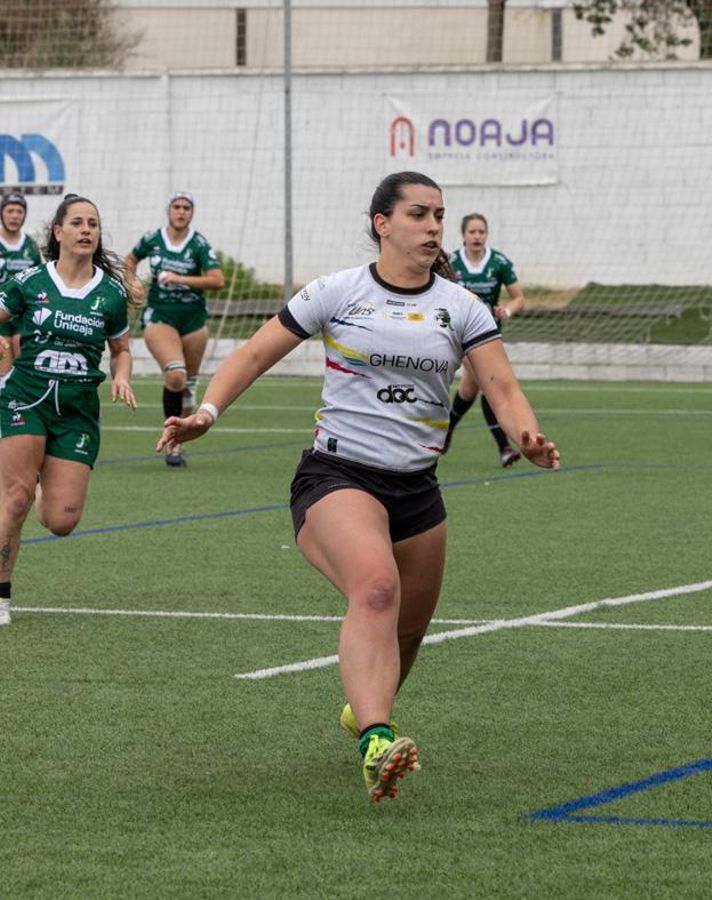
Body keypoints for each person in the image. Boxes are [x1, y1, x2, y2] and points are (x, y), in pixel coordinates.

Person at [157, 172, 560, 802]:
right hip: (337, 476)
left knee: (408, 633)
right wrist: (205, 414)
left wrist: (527, 436)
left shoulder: (463, 306)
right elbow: (254, 355)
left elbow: (501, 387)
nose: (433, 227)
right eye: (420, 214)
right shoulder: (337, 291)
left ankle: (362, 706)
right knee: (376, 590)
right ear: (383, 223)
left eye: (439, 216)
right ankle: (377, 739)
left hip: (418, 490)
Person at [0, 194, 137, 627]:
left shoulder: (111, 294)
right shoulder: (28, 283)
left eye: (93, 224)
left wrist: (121, 374)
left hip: (77, 410)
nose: (86, 230)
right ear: (58, 232)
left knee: (61, 520)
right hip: (25, 395)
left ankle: (41, 482)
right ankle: (1, 597)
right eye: (77, 222)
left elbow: (122, 349)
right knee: (14, 499)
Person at [125, 192, 224, 467]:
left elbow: (217, 280)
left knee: (189, 387)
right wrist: (132, 283)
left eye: (186, 208)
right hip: (160, 316)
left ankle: (178, 441)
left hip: (193, 320)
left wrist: (180, 278)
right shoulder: (152, 240)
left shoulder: (199, 243)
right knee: (176, 377)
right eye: (177, 207)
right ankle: (171, 436)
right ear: (169, 211)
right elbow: (129, 260)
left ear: (191, 213)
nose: (181, 212)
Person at [444, 213, 525, 466]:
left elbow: (519, 297)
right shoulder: (452, 262)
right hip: (461, 334)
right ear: (464, 235)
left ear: (486, 235)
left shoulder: (499, 262)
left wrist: (507, 310)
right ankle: (504, 447)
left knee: (469, 388)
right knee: (489, 383)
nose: (477, 236)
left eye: (481, 232)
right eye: (472, 232)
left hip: (489, 335)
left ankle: (445, 432)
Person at [0, 191, 43, 379]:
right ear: (2, 213)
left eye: (19, 211)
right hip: (0, 317)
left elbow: (40, 282)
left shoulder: (31, 247)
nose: (15, 216)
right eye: (10, 211)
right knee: (4, 376)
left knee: (24, 375)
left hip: (23, 318)